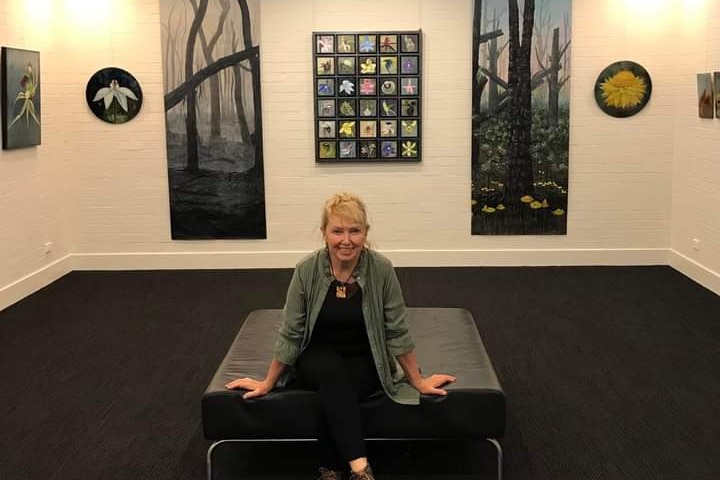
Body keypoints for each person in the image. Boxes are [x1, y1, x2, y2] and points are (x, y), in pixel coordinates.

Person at [225, 192, 456, 480]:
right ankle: (361, 469)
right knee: (333, 375)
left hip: (367, 357)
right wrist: (268, 382)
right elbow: (292, 332)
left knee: (336, 388)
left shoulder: (381, 270)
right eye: (337, 231)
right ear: (324, 233)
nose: (346, 240)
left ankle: (331, 469)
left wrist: (417, 381)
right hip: (316, 356)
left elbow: (396, 329)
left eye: (354, 231)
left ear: (365, 234)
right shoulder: (306, 270)